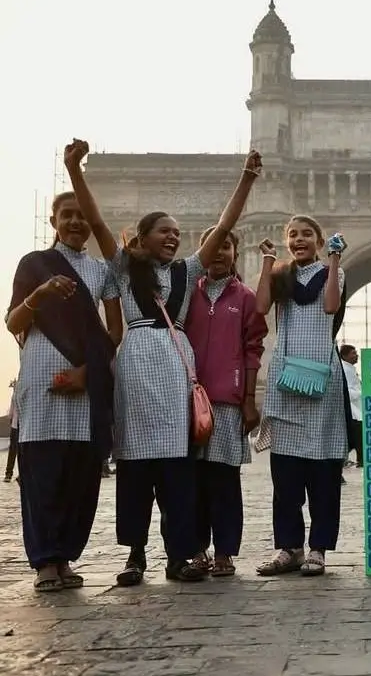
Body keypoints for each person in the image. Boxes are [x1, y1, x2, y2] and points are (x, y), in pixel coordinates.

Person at [63, 138, 262, 585]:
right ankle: (135, 556)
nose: (174, 236)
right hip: (135, 364)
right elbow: (96, 220)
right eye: (164, 231)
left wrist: (247, 178)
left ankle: (180, 555)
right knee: (135, 468)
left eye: (177, 232)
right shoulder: (121, 267)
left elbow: (224, 223)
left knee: (177, 469)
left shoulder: (185, 272)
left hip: (174, 368)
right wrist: (75, 170)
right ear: (141, 237)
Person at [6, 188, 122, 592]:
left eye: (82, 216)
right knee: (42, 475)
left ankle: (66, 556)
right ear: (54, 222)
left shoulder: (101, 272)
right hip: (42, 384)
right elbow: (14, 323)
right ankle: (45, 562)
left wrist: (89, 374)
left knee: (81, 475)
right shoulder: (34, 265)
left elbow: (115, 331)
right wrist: (40, 294)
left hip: (86, 384)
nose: (75, 222)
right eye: (67, 215)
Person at [255, 216, 348, 577]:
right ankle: (289, 547)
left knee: (323, 470)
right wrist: (266, 263)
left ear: (320, 240)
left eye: (307, 234)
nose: (299, 240)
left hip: (321, 380)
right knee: (286, 472)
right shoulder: (281, 276)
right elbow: (261, 306)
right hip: (286, 381)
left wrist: (336, 261)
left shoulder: (331, 273)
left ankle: (318, 548)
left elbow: (329, 307)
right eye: (293, 235)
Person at [184, 227, 268, 578]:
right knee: (192, 482)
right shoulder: (186, 295)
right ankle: (196, 549)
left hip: (227, 404)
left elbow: (253, 350)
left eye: (225, 247)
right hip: (187, 402)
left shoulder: (245, 298)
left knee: (224, 481)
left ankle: (224, 552)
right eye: (211, 247)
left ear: (236, 252)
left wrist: (249, 399)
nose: (217, 253)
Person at [339, 344, 363, 468]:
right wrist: (361, 394)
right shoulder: (344, 369)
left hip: (357, 408)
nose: (356, 355)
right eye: (353, 353)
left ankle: (360, 459)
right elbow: (347, 391)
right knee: (355, 437)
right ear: (344, 356)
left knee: (356, 438)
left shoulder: (350, 369)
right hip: (352, 408)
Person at [4, 384, 19, 482]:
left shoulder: (15, 394)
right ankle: (22, 474)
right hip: (26, 426)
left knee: (12, 451)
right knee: (24, 451)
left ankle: (8, 474)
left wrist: (10, 419)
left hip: (15, 425)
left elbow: (11, 414)